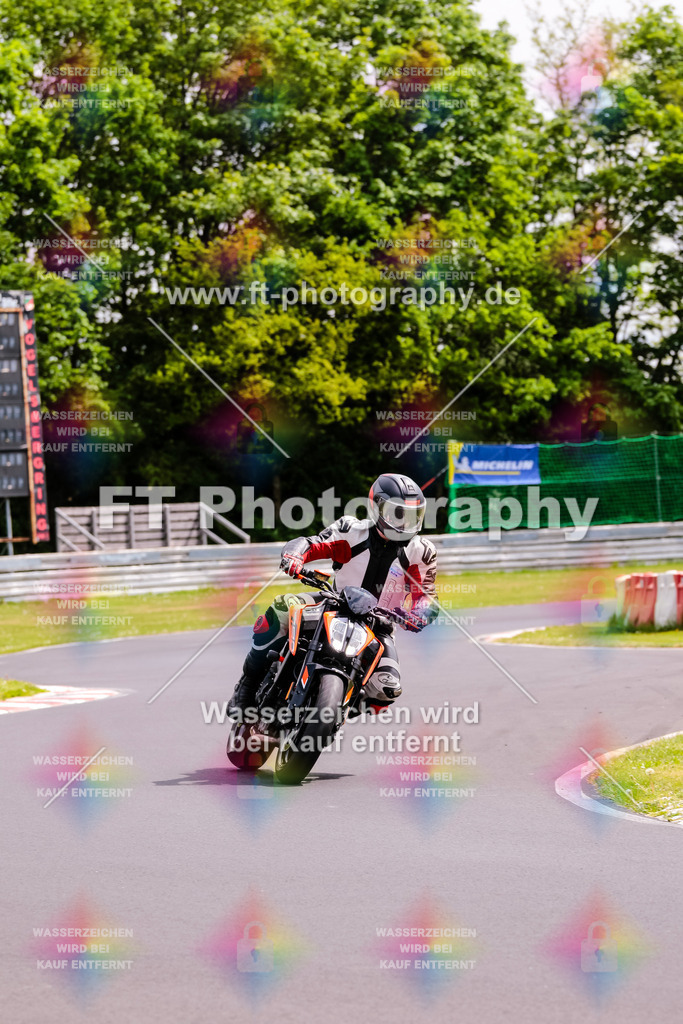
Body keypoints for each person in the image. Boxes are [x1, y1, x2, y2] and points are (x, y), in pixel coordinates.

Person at [227, 473, 438, 718]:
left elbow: (427, 596)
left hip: (380, 625)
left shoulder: (422, 552)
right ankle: (248, 684)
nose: (404, 523)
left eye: (413, 515)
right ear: (377, 507)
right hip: (334, 602)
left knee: (387, 691)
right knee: (282, 607)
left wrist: (419, 615)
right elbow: (311, 544)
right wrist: (294, 557)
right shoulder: (350, 530)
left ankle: (332, 711)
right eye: (398, 513)